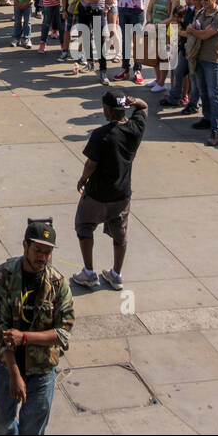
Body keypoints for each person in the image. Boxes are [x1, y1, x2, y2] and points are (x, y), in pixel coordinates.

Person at [0, 218, 74, 436]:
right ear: (25, 245)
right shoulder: (3, 276)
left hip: (42, 369)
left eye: (47, 252)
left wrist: (24, 338)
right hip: (7, 365)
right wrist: (14, 372)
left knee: (33, 431)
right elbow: (0, 330)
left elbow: (63, 333)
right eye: (38, 250)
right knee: (0, 423)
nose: (42, 257)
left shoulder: (58, 284)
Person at [71, 92, 148, 290]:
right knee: (120, 232)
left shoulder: (101, 135)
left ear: (107, 109)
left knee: (84, 225)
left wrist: (83, 178)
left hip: (97, 193)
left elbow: (91, 163)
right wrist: (135, 101)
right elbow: (144, 107)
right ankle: (116, 274)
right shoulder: (135, 128)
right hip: (122, 193)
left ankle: (89, 273)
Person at [185, 0, 218, 146]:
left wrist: (193, 31)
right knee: (202, 90)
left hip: (212, 60)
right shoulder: (201, 12)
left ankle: (216, 130)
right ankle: (207, 118)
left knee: (213, 94)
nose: (202, 1)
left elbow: (203, 35)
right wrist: (195, 30)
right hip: (198, 58)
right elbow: (196, 29)